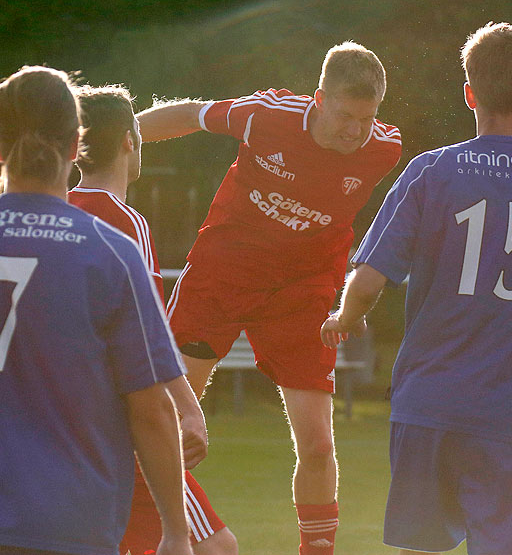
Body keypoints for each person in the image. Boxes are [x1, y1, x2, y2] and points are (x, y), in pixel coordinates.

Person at [321, 22, 512, 555]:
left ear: (469, 93)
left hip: (428, 405)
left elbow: (368, 282)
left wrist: (346, 319)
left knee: (422, 547)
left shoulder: (429, 172)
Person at [136, 42, 401, 555]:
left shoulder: (384, 149)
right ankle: (158, 538)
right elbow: (191, 114)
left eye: (366, 119)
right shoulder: (266, 116)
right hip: (221, 278)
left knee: (320, 445)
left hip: (302, 297)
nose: (355, 130)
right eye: (346, 115)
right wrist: (116, 138)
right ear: (319, 99)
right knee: (164, 422)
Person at [0, 66, 192, 555]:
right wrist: (176, 532)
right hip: (68, 520)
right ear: (74, 147)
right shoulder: (108, 252)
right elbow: (151, 411)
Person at [68, 84, 238, 554]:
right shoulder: (126, 222)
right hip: (127, 424)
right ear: (128, 140)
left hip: (72, 422)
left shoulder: (60, 209)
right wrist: (187, 407)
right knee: (214, 547)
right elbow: (149, 332)